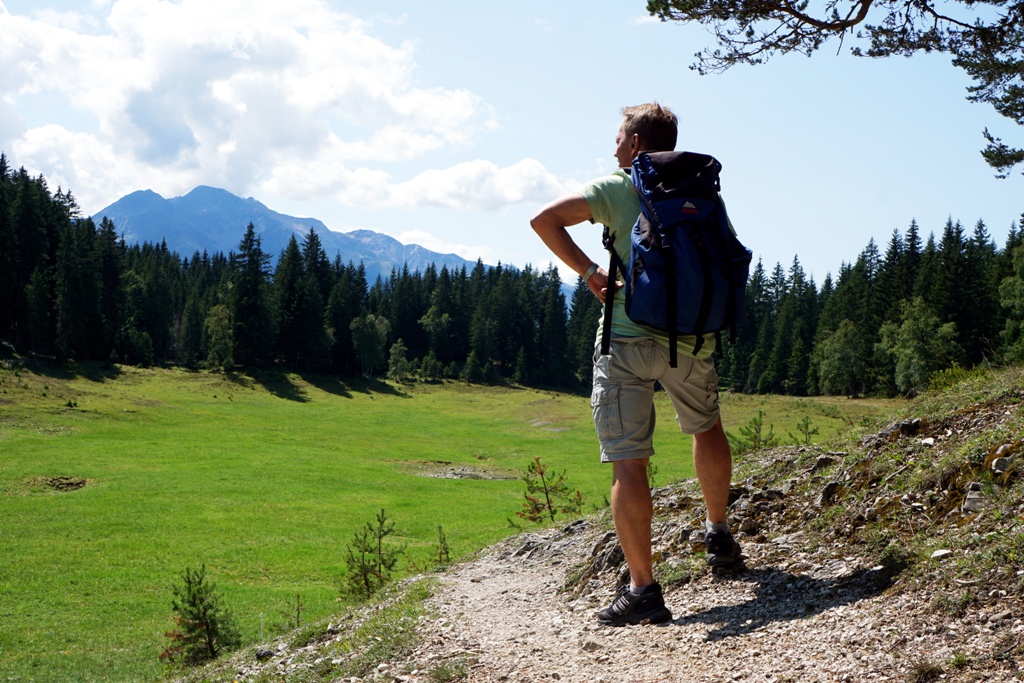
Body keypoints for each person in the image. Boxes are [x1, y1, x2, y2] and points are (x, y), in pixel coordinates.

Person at [529, 102, 741, 627]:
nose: (614, 147)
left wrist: (588, 272)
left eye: (620, 137)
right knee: (706, 428)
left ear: (638, 142)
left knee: (630, 462)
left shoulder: (618, 186)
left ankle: (643, 590)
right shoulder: (702, 190)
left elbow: (543, 219)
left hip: (625, 339)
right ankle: (718, 533)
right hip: (692, 338)